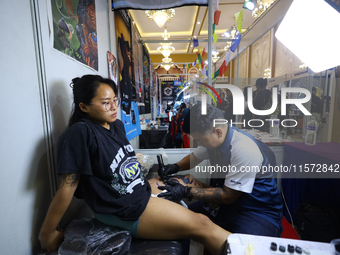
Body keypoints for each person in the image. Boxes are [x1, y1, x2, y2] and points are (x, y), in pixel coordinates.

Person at [39, 75, 231, 254]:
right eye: (106, 103)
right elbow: (67, 188)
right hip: (124, 209)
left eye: (115, 100)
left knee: (189, 181)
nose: (114, 107)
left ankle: (227, 215)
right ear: (84, 107)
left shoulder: (116, 125)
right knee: (202, 224)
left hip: (138, 191)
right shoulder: (80, 133)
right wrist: (47, 234)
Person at [158, 103, 283, 237]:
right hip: (229, 205)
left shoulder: (243, 148)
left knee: (242, 249)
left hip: (257, 210)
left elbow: (227, 195)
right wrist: (174, 167)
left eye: (200, 140)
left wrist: (185, 191)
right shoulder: (214, 140)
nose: (199, 144)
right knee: (181, 221)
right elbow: (195, 157)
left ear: (218, 131)